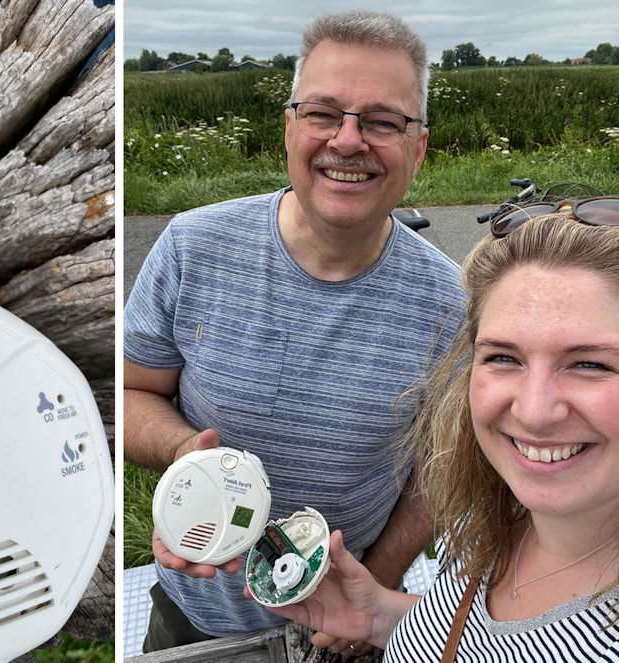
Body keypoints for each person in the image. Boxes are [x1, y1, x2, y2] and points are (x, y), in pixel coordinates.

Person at [123, 9, 465, 656]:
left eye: (382, 121)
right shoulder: (192, 247)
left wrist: (373, 587)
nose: (348, 140)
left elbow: (438, 469)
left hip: (341, 626)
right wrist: (183, 453)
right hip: (195, 611)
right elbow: (133, 390)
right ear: (289, 128)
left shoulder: (451, 304)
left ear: (417, 149)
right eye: (323, 113)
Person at [257, 209, 619, 660]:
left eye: (591, 364)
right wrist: (381, 616)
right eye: (504, 357)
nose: (534, 411)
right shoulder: (491, 514)